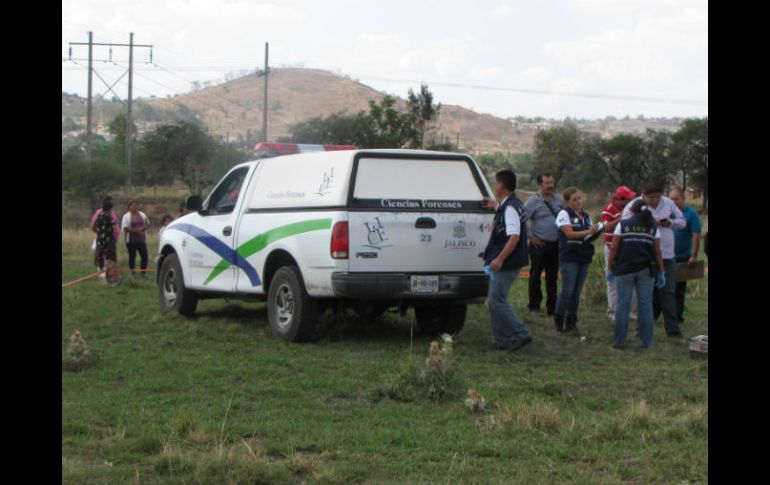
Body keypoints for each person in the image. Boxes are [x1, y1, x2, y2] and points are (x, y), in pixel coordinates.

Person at [622, 184, 686, 337]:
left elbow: (682, 221)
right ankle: (642, 330)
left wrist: (669, 223)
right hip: (645, 254)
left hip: (667, 254)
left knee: (669, 292)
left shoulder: (668, 203)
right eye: (652, 197)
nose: (656, 200)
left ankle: (673, 330)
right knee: (646, 294)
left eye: (658, 196)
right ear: (644, 195)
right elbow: (624, 224)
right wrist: (646, 222)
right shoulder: (635, 205)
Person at [481, 170, 533, 351]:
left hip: (507, 262)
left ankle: (521, 333)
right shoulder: (513, 204)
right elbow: (509, 219)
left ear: (501, 186)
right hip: (512, 261)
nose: (495, 186)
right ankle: (501, 339)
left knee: (497, 301)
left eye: (496, 183)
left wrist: (499, 259)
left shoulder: (510, 208)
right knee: (495, 300)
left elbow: (514, 237)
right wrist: (496, 206)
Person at [607, 199, 666, 349]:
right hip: (646, 271)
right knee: (645, 305)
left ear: (632, 211)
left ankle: (619, 342)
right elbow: (658, 252)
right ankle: (646, 342)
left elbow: (613, 248)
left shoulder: (623, 224)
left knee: (622, 305)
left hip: (624, 270)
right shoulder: (652, 227)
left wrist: (610, 268)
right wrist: (662, 272)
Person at [554, 187, 602, 335]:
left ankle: (571, 322)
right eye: (574, 199)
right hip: (569, 257)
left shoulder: (585, 215)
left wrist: (596, 232)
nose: (578, 201)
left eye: (579, 198)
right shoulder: (563, 214)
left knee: (576, 292)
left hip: (583, 256)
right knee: (567, 291)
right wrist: (589, 231)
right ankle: (559, 323)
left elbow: (588, 236)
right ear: (567, 201)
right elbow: (569, 234)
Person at [522, 173, 564, 316]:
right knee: (535, 276)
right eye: (547, 183)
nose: (550, 185)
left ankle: (552, 308)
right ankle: (534, 306)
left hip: (555, 244)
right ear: (540, 185)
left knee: (552, 278)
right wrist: (530, 237)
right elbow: (520, 219)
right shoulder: (532, 201)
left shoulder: (558, 200)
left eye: (551, 182)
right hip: (539, 245)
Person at [600, 186, 638, 321]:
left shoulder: (628, 209)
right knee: (612, 280)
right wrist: (621, 219)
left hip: (625, 248)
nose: (630, 201)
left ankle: (628, 311)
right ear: (619, 199)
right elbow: (605, 227)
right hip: (611, 248)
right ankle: (613, 311)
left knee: (630, 279)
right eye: (627, 199)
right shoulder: (608, 209)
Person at [669, 187, 702, 323]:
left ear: (684, 199)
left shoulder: (691, 214)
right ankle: (655, 315)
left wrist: (693, 255)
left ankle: (677, 317)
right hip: (666, 257)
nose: (674, 202)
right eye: (671, 199)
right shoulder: (667, 214)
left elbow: (696, 235)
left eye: (676, 199)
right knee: (661, 287)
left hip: (682, 257)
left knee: (678, 289)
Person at [91, 197, 118, 284]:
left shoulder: (99, 216)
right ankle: (110, 278)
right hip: (108, 241)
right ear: (110, 208)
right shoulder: (109, 217)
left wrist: (99, 233)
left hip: (100, 241)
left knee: (100, 258)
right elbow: (114, 228)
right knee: (110, 258)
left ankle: (102, 276)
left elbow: (94, 227)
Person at [121, 200, 151, 277]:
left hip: (141, 240)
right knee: (132, 256)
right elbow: (126, 228)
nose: (134, 207)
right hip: (131, 240)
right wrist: (137, 231)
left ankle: (143, 273)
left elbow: (148, 223)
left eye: (136, 205)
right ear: (129, 207)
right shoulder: (126, 216)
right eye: (132, 205)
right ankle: (132, 273)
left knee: (144, 256)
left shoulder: (142, 214)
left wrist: (143, 229)